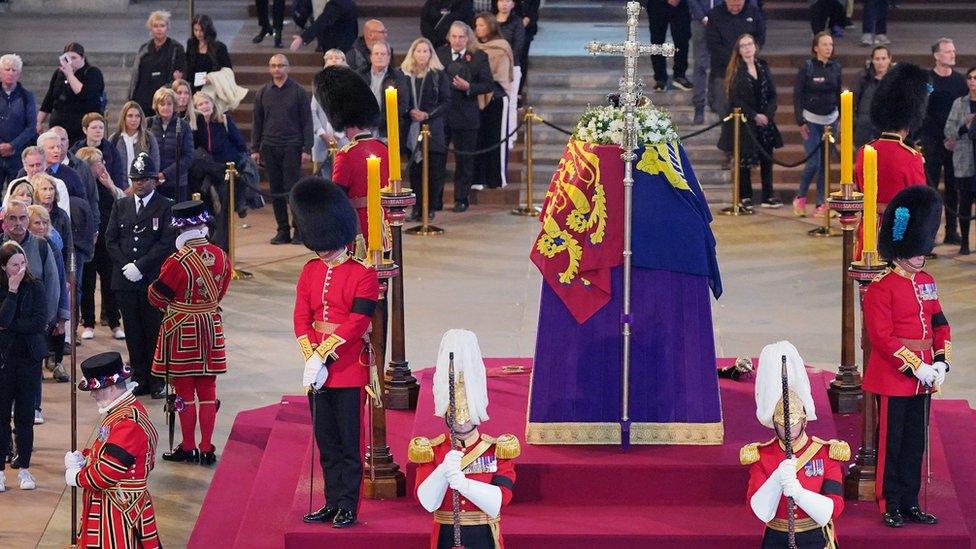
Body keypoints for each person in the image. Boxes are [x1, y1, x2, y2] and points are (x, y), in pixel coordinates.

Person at [292, 176, 378, 529]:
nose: (322, 249)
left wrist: (324, 353)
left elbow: (358, 322)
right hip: (317, 369)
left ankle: (348, 505)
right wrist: (310, 356)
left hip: (346, 369)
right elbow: (301, 316)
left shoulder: (363, 275)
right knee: (326, 442)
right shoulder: (310, 270)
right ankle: (330, 501)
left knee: (348, 444)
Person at [863, 184, 947, 528]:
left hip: (924, 379)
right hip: (895, 377)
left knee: (915, 444)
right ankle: (890, 502)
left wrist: (941, 361)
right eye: (916, 251)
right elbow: (881, 338)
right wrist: (917, 367)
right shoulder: (880, 287)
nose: (921, 256)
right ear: (900, 251)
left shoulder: (926, 281)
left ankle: (911, 501)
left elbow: (940, 323)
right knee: (892, 445)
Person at [410, 329, 519, 549]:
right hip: (446, 537)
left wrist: (465, 485)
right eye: (455, 413)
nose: (460, 421)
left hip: (483, 536)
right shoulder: (433, 450)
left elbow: (501, 499)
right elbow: (427, 502)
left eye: (466, 413)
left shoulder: (496, 450)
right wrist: (442, 471)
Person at [742, 340, 847, 548]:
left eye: (793, 423)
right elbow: (757, 509)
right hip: (777, 538)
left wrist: (800, 494)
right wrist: (776, 479)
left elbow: (834, 507)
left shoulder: (826, 454)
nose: (787, 430)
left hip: (815, 537)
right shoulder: (762, 456)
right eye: (781, 424)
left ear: (804, 421)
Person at [148, 200, 230, 466]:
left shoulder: (177, 261)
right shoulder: (221, 255)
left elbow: (157, 297)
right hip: (211, 326)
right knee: (208, 388)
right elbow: (221, 291)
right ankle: (207, 448)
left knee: (183, 390)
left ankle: (189, 446)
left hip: (183, 329)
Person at [66, 351, 161, 547]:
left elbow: (107, 473)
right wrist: (86, 459)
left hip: (118, 508)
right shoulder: (122, 410)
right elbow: (110, 451)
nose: (92, 394)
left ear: (109, 388)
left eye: (95, 388)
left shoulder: (127, 421)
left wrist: (78, 477)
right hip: (117, 502)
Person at [105, 152, 175, 399]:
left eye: (144, 179)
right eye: (135, 179)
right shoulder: (121, 204)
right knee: (133, 331)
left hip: (151, 280)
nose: (139, 183)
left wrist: (141, 266)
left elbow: (166, 242)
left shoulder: (165, 206)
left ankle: (156, 379)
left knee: (153, 330)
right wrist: (127, 266)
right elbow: (111, 240)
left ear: (154, 180)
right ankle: (139, 376)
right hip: (125, 280)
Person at [854, 63, 930, 260]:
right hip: (898, 234)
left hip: (868, 234)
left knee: (868, 288)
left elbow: (857, 192)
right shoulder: (910, 157)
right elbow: (918, 205)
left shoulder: (865, 151)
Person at [1, 200, 60, 425]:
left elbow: (54, 282)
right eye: (12, 218)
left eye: (22, 218)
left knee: (31, 374)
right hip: (4, 328)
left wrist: (51, 318)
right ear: (4, 222)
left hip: (33, 325)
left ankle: (34, 407)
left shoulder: (42, 246)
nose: (18, 223)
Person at [319, 66, 388, 248]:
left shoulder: (346, 154)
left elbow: (338, 197)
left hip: (358, 226)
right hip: (384, 223)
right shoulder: (383, 148)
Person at [0, 241, 48, 492]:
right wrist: (11, 292)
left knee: (25, 417)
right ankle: (0, 471)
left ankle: (25, 469)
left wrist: (10, 326)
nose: (20, 268)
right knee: (1, 415)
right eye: (14, 265)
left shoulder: (36, 286)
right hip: (4, 359)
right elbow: (2, 318)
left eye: (22, 263)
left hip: (29, 358)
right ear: (4, 267)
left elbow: (39, 322)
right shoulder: (6, 288)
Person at [251, 54, 313, 245]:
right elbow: (257, 122)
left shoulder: (298, 92)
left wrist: (307, 148)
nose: (277, 69)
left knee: (292, 190)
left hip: (292, 146)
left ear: (288, 68)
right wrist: (255, 147)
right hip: (270, 146)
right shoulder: (262, 92)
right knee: (276, 190)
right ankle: (282, 230)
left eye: (281, 65)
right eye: (273, 66)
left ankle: (299, 230)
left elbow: (306, 122)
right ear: (270, 69)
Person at [718, 33, 782, 210]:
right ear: (739, 50)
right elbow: (735, 99)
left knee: (767, 159)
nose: (747, 48)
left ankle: (767, 195)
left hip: (765, 121)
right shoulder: (736, 71)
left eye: (749, 44)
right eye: (743, 46)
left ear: (755, 46)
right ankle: (745, 196)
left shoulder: (763, 66)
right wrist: (755, 116)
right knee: (744, 161)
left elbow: (772, 94)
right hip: (745, 123)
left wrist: (767, 115)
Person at [437, 21, 495, 212]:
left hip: (466, 116)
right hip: (442, 116)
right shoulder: (440, 55)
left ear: (468, 38)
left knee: (465, 161)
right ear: (449, 37)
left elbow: (488, 85)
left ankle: (461, 199)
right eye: (454, 36)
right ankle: (435, 199)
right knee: (438, 160)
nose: (457, 40)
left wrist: (469, 87)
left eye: (461, 36)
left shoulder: (478, 57)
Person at [73, 146, 126, 342]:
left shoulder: (106, 182)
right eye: (98, 163)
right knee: (87, 283)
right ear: (88, 166)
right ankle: (88, 322)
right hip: (88, 238)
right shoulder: (81, 184)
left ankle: (114, 322)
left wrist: (111, 186)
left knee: (110, 281)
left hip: (108, 238)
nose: (102, 165)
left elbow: (123, 203)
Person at [922, 38, 968, 247]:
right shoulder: (928, 80)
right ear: (936, 55)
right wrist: (943, 137)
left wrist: (953, 136)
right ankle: (929, 234)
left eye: (953, 50)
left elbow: (962, 111)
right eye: (948, 51)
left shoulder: (960, 81)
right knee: (931, 188)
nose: (952, 54)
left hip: (955, 143)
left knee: (953, 187)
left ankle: (952, 231)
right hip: (932, 141)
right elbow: (924, 113)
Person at [190, 92, 247, 252]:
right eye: (200, 104)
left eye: (206, 103)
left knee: (225, 212)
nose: (204, 107)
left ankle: (225, 248)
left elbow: (240, 144)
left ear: (213, 104)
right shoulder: (197, 125)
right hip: (207, 172)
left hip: (226, 171)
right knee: (210, 210)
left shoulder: (224, 120)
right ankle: (213, 244)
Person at [793, 31, 841, 218]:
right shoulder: (807, 67)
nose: (828, 48)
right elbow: (798, 95)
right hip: (810, 121)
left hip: (830, 121)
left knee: (825, 164)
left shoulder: (836, 67)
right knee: (813, 163)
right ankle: (800, 197)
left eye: (830, 44)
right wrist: (799, 120)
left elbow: (838, 93)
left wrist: (841, 118)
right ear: (816, 47)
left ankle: (821, 203)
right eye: (824, 44)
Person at [402, 38, 451, 221]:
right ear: (412, 53)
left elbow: (446, 101)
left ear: (430, 54)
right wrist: (410, 111)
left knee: (434, 171)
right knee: (415, 172)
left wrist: (427, 115)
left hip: (433, 130)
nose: (422, 54)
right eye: (418, 51)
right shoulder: (405, 75)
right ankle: (416, 208)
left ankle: (429, 207)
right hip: (412, 130)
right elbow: (400, 100)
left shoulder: (438, 74)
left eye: (425, 51)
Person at [26, 203, 69, 383]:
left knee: (56, 334)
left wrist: (62, 316)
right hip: (30, 307)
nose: (42, 227)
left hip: (50, 304)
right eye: (37, 223)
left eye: (45, 223)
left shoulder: (52, 247)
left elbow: (59, 280)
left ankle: (57, 363)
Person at [705, 0, 766, 123]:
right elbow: (713, 44)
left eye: (738, 5)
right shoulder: (714, 15)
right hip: (723, 72)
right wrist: (736, 59)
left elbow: (760, 37)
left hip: (749, 72)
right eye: (732, 5)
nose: (735, 8)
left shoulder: (754, 13)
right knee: (725, 115)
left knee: (749, 116)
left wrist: (747, 55)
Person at [473, 13, 514, 190]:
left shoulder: (502, 47)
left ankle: (495, 179)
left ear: (490, 26)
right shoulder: (473, 47)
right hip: (477, 96)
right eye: (476, 25)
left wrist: (485, 79)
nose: (478, 29)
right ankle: (478, 178)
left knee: (495, 140)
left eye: (482, 25)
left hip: (495, 96)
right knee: (478, 139)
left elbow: (502, 75)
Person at [37, 43, 104, 145]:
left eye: (74, 58)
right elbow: (49, 98)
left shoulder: (92, 73)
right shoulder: (59, 73)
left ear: (83, 58)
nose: (71, 62)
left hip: (80, 127)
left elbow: (83, 94)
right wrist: (39, 121)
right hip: (59, 124)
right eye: (67, 59)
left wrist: (70, 75)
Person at [129, 11, 187, 116]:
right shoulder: (144, 48)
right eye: (155, 26)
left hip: (165, 100)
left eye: (162, 25)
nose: (159, 29)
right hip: (144, 99)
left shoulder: (176, 48)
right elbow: (136, 75)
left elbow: (181, 73)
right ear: (150, 28)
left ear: (167, 27)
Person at [944, 66, 976, 256]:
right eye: (970, 78)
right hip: (965, 161)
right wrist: (966, 126)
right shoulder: (959, 103)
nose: (973, 81)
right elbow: (948, 131)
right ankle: (964, 242)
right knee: (964, 203)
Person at [148, 88, 194, 202]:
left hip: (177, 183)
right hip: (152, 183)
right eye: (162, 104)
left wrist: (165, 174)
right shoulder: (148, 124)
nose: (166, 107)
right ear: (156, 106)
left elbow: (188, 157)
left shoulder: (183, 126)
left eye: (169, 104)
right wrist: (153, 175)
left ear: (174, 106)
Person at [311, 50, 350, 179]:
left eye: (337, 58)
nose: (333, 60)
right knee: (323, 176)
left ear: (344, 63)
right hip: (322, 138)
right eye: (330, 58)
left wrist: (338, 135)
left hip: (342, 137)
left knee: (342, 175)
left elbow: (350, 111)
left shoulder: (350, 86)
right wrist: (322, 133)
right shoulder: (318, 85)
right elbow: (313, 111)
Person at [358, 41, 408, 141]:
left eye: (383, 54)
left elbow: (403, 105)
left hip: (387, 131)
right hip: (363, 129)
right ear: (371, 57)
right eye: (376, 54)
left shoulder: (398, 77)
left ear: (389, 57)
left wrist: (381, 121)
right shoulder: (360, 75)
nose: (379, 57)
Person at [0, 54, 36, 188]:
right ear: (0, 71)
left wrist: (12, 145)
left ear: (19, 73)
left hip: (17, 154)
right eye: (7, 69)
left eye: (14, 70)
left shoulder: (27, 96)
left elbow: (31, 127)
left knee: (16, 193)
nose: (10, 73)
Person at [71, 112, 127, 195]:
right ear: (85, 130)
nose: (98, 131)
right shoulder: (76, 149)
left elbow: (118, 177)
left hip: (106, 196)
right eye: (94, 128)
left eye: (101, 128)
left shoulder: (112, 150)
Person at [110, 101, 160, 186]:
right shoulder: (114, 139)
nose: (134, 120)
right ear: (124, 117)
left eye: (137, 116)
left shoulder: (149, 138)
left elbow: (155, 165)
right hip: (120, 190)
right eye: (130, 116)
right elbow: (111, 167)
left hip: (144, 189)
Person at [647, 0, 693, 92]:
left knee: (682, 39)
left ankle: (680, 75)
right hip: (656, 4)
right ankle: (660, 78)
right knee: (657, 41)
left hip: (680, 5)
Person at [853, 45, 891, 148]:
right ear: (872, 60)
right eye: (877, 59)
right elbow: (853, 101)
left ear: (889, 59)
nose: (881, 62)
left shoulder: (895, 80)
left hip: (887, 130)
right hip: (864, 129)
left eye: (883, 58)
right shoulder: (863, 78)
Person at [288, 0, 358, 54]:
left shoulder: (335, 4)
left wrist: (302, 38)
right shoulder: (349, 2)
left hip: (337, 48)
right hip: (347, 44)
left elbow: (322, 21)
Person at [186, 14, 233, 93]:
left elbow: (228, 71)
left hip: (213, 89)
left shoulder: (219, 47)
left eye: (201, 30)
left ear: (208, 30)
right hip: (195, 88)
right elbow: (188, 64)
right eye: (195, 30)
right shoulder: (191, 44)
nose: (198, 34)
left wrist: (212, 79)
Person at [495, 0, 525, 108]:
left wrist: (506, 60)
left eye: (508, 1)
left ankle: (511, 125)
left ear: (513, 4)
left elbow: (519, 46)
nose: (504, 4)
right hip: (492, 66)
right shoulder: (490, 21)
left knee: (511, 101)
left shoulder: (517, 21)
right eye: (501, 0)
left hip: (511, 66)